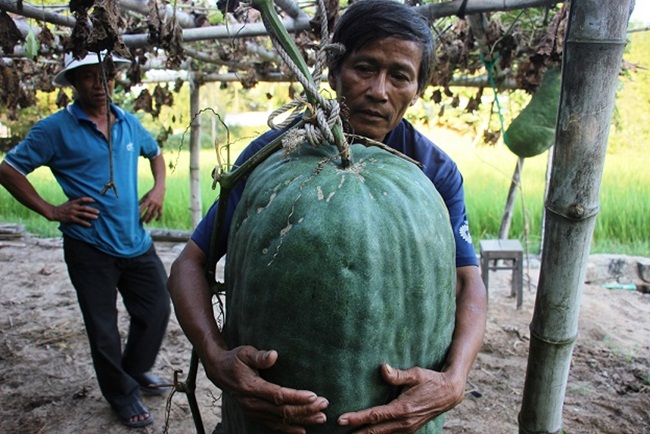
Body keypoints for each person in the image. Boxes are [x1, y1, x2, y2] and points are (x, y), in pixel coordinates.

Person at [168, 0, 487, 432]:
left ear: (417, 88)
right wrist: (215, 358)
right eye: (364, 67)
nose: (379, 90)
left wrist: (455, 380)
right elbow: (189, 264)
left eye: (399, 76)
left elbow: (468, 279)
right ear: (334, 71)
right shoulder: (272, 157)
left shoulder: (433, 171)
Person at [0, 50, 171, 428]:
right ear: (73, 83)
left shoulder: (127, 122)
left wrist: (158, 189)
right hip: (89, 245)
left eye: (106, 74)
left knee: (157, 308)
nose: (100, 83)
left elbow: (156, 154)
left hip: (136, 241)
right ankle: (122, 395)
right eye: (89, 76)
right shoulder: (54, 129)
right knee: (103, 327)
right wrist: (50, 209)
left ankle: (136, 369)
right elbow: (8, 169)